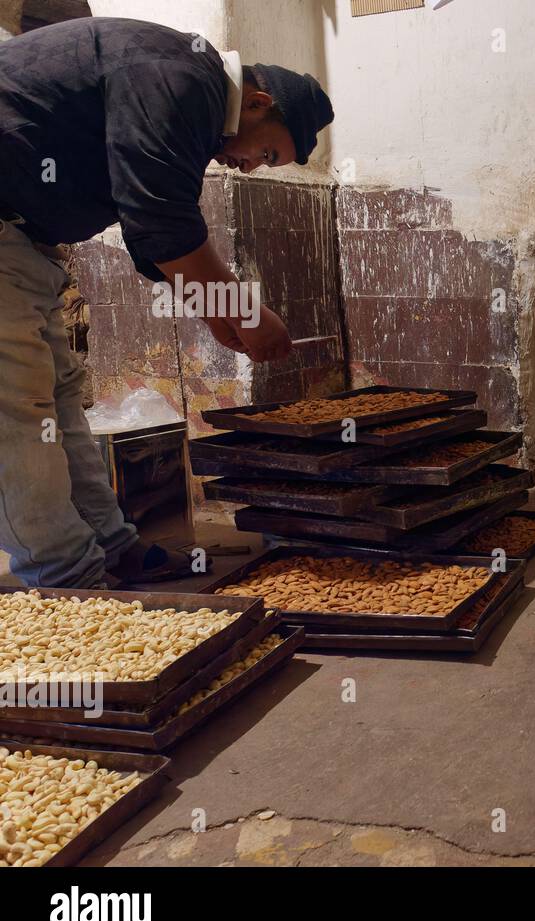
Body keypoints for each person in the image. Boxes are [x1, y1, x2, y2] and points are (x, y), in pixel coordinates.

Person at [0, 17, 333, 587]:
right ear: (255, 103)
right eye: (267, 152)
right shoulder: (183, 76)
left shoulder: (189, 89)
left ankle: (111, 550)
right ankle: (67, 579)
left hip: (22, 242)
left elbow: (153, 227)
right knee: (18, 410)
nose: (249, 165)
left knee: (58, 408)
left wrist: (220, 316)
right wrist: (247, 315)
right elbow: (160, 218)